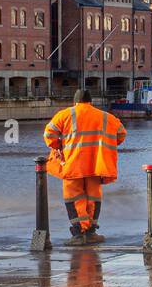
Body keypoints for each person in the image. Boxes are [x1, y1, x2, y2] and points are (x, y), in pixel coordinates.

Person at [43, 88, 127, 245]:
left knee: (74, 198)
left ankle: (79, 233)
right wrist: (107, 145)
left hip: (73, 164)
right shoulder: (105, 117)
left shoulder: (65, 115)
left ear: (75, 102)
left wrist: (59, 145)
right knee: (93, 198)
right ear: (90, 102)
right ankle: (91, 233)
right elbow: (121, 133)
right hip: (97, 165)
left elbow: (49, 136)